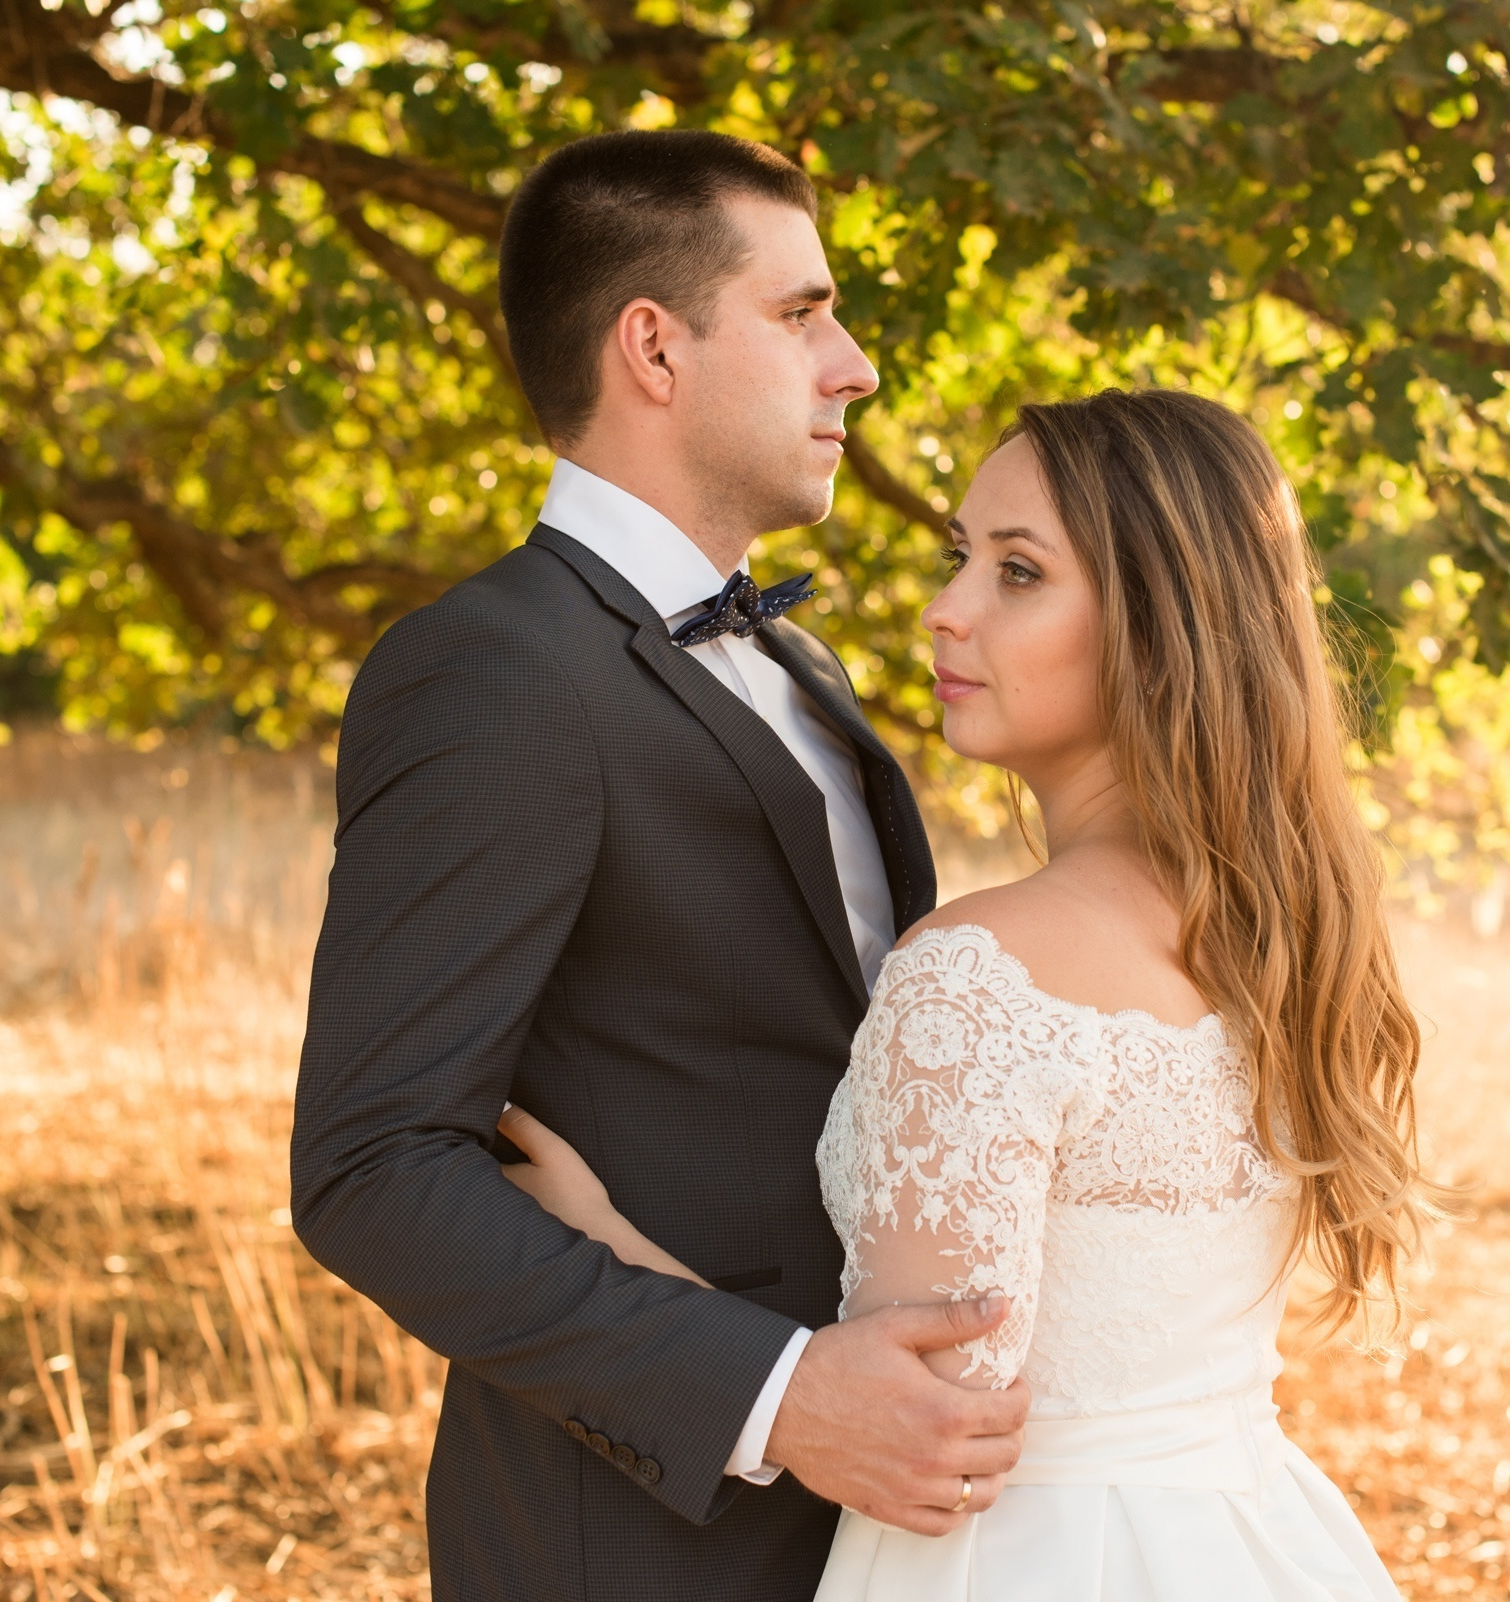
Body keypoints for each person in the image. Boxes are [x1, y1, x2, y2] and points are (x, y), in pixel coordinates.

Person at [501, 387, 1437, 1599]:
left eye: (1018, 573)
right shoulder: (1284, 938)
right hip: (1256, 1542)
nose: (946, 612)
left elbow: (921, 1428)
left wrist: (603, 1243)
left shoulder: (981, 973)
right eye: (961, 557)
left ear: (1161, 628)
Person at [289, 129, 1032, 1602]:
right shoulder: (493, 670)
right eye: (802, 312)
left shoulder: (802, 663)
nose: (856, 366)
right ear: (653, 346)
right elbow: (370, 1165)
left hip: (897, 1526)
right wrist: (778, 1394)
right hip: (637, 1538)